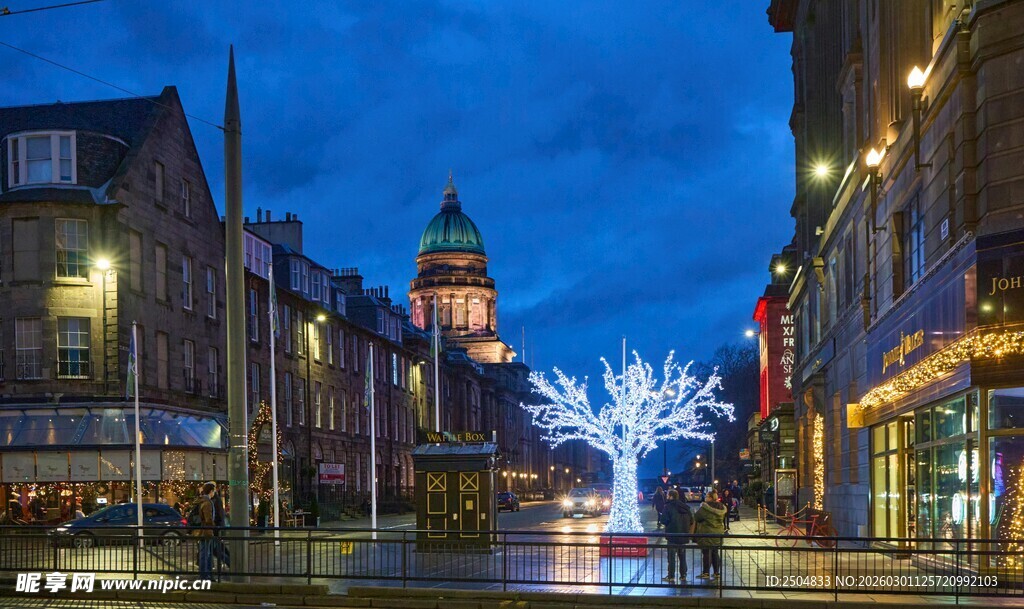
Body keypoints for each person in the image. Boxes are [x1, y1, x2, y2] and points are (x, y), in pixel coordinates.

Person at [660, 489, 693, 583]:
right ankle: (683, 575)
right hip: (683, 535)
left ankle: (671, 575)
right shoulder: (685, 507)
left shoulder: (668, 507)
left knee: (671, 556)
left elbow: (663, 520)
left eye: (667, 495)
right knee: (682, 556)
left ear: (671, 496)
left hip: (672, 535)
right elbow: (691, 520)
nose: (666, 496)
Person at [694, 490, 727, 582]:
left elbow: (696, 517)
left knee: (706, 553)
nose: (705, 498)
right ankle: (716, 572)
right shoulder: (721, 507)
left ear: (711, 498)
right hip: (718, 533)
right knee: (715, 552)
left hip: (707, 533)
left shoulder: (705, 508)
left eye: (707, 496)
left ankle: (706, 573)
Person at [193, 482, 217, 580]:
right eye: (214, 491)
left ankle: (206, 574)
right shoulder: (207, 502)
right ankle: (205, 575)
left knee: (205, 552)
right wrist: (214, 526)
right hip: (206, 531)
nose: (214, 493)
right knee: (205, 553)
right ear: (211, 491)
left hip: (201, 530)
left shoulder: (201, 501)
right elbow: (208, 519)